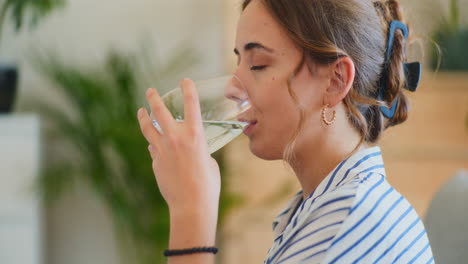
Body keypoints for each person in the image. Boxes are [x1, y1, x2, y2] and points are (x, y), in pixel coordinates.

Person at [136, 0, 434, 263]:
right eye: (240, 60)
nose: (231, 87)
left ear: (335, 80)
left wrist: (192, 212)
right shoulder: (324, 207)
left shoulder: (347, 221)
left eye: (259, 64)